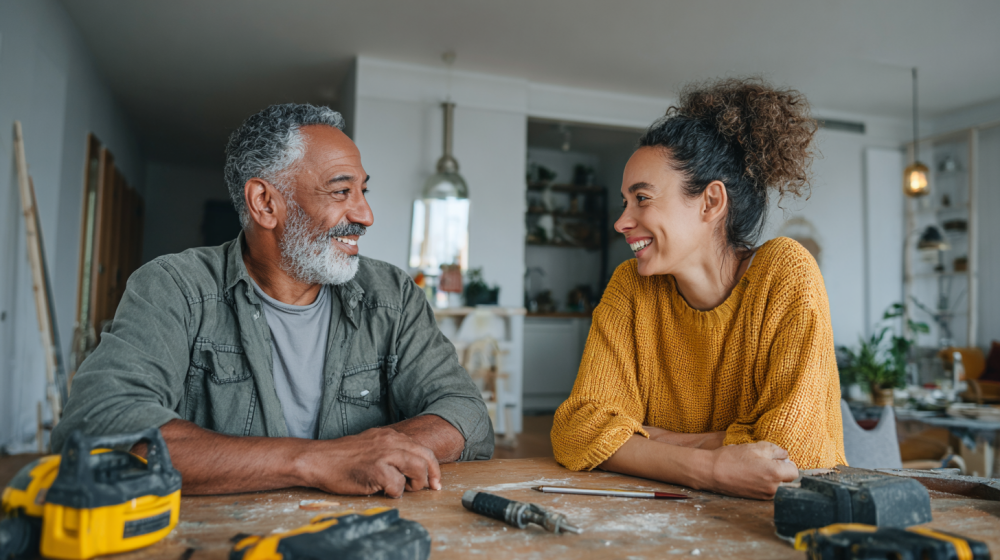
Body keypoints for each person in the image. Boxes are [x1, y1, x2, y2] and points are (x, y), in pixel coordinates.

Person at [53, 103, 493, 498]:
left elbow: (465, 414)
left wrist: (376, 452)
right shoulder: (173, 287)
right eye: (341, 192)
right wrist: (317, 461)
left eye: (364, 191)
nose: (365, 215)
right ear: (265, 203)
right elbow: (99, 426)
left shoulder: (392, 294)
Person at [550, 78, 845, 500]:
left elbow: (792, 457)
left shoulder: (785, 273)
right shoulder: (631, 286)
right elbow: (575, 430)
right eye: (624, 202)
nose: (621, 222)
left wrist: (643, 439)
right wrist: (713, 464)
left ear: (710, 202)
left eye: (642, 199)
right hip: (659, 524)